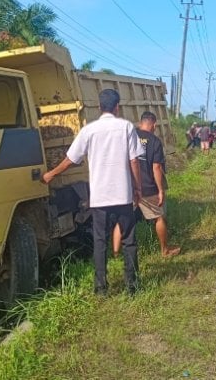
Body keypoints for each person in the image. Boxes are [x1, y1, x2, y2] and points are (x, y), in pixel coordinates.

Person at [42, 89, 143, 296]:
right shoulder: (126, 127)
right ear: (117, 107)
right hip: (123, 194)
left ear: (99, 107)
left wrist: (51, 174)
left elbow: (71, 159)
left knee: (100, 242)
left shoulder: (89, 131)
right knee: (129, 241)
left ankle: (100, 288)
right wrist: (137, 188)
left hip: (99, 198)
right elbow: (134, 160)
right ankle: (132, 287)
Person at [113, 111, 181, 258]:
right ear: (154, 125)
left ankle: (116, 253)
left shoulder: (128, 137)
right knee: (159, 217)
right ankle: (164, 250)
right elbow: (156, 167)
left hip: (129, 187)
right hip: (148, 188)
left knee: (122, 219)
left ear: (140, 123)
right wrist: (161, 190)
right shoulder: (155, 141)